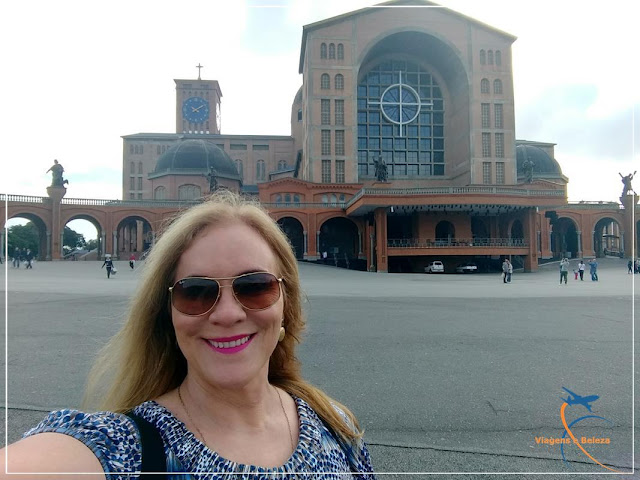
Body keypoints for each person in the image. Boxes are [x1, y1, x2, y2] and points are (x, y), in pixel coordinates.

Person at [1, 191, 376, 477]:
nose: (228, 314)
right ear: (167, 314)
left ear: (286, 304)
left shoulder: (338, 426)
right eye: (195, 291)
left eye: (255, 286)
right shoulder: (125, 449)